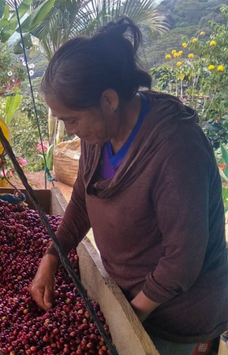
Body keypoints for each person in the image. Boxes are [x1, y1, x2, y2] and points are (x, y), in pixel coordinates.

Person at [30, 17, 228, 355]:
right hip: (128, 297)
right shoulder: (101, 131)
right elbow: (82, 201)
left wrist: (123, 323)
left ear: (109, 99)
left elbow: (182, 262)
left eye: (73, 120)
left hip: (175, 314)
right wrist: (51, 257)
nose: (72, 131)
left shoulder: (176, 148)